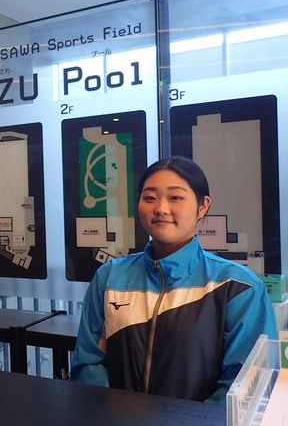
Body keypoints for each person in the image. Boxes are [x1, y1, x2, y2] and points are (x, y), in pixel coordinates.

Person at [71, 156, 276, 402]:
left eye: (176, 197)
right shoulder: (110, 276)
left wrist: (184, 424)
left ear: (202, 206)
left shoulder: (237, 287)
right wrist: (111, 412)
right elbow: (88, 361)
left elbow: (247, 385)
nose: (161, 208)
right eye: (150, 198)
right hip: (117, 424)